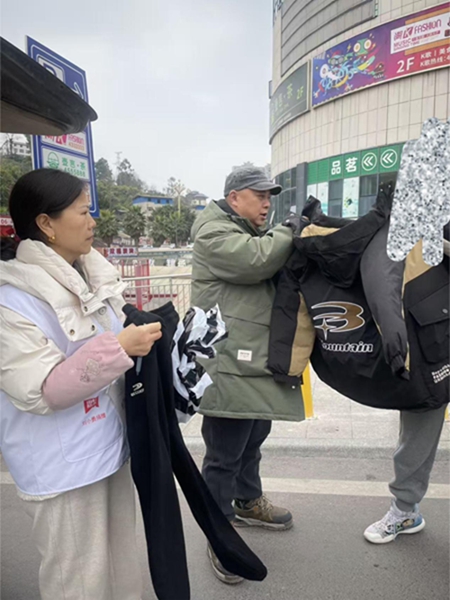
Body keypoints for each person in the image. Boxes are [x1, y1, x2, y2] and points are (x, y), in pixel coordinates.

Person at [0, 169, 162, 600]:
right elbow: (43, 390)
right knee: (78, 581)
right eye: (83, 211)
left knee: (122, 567)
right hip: (62, 468)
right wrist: (119, 348)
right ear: (46, 223)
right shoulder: (13, 301)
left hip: (109, 449)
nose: (93, 221)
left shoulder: (94, 282)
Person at [190, 166, 304, 584]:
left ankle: (247, 501)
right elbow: (256, 262)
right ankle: (219, 534)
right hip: (226, 361)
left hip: (250, 357)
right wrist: (290, 230)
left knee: (253, 437)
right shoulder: (213, 232)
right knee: (224, 453)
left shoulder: (245, 229)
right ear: (234, 197)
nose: (267, 203)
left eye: (270, 196)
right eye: (260, 195)